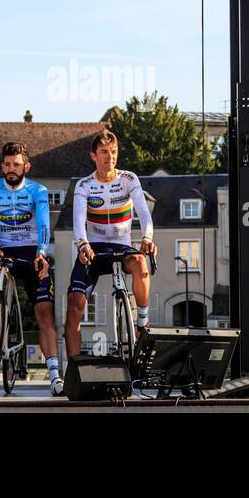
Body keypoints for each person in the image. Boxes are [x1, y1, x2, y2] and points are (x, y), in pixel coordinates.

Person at [0, 142, 64, 396]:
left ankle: (55, 375)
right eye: (7, 164)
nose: (11, 169)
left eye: (17, 164)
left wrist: (42, 253)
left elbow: (44, 225)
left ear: (26, 166)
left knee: (44, 311)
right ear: (2, 166)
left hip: (31, 250)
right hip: (0, 249)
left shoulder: (38, 190)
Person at [65, 131, 157, 358]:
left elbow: (144, 213)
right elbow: (78, 219)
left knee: (140, 264)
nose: (110, 157)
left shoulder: (128, 179)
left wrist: (147, 238)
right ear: (94, 156)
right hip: (93, 248)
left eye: (114, 152)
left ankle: (142, 321)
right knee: (74, 308)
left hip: (121, 245)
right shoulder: (84, 185)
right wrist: (82, 243)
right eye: (104, 152)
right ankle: (75, 369)